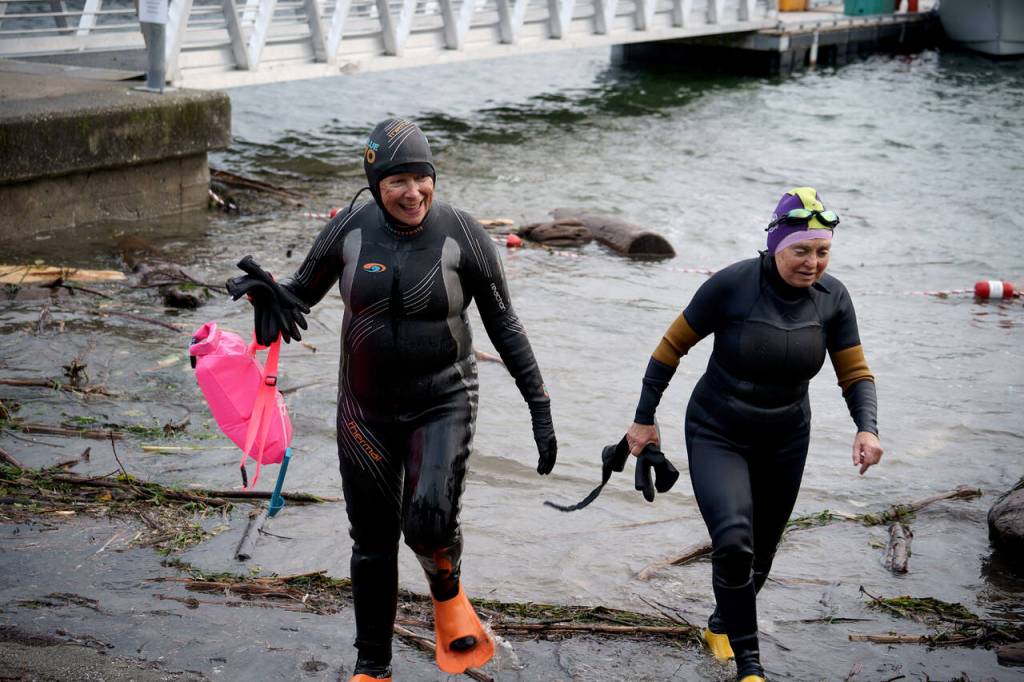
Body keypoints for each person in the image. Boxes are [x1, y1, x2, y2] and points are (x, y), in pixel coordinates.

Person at [229, 118, 557, 682]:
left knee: (428, 521)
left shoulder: (463, 234)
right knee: (372, 539)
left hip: (443, 400)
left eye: (422, 178)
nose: (413, 193)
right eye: (397, 181)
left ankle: (446, 590)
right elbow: (298, 298)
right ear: (374, 183)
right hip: (364, 410)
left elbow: (504, 323)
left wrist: (540, 408)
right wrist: (266, 298)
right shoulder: (350, 230)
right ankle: (372, 667)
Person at [624, 187, 883, 682]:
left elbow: (855, 373)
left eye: (822, 251)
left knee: (762, 552)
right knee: (735, 542)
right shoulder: (733, 285)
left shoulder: (834, 300)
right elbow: (669, 349)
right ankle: (750, 667)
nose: (812, 263)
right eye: (800, 250)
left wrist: (866, 428)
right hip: (717, 430)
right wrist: (644, 418)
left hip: (786, 439)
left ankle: (722, 624)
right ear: (775, 244)